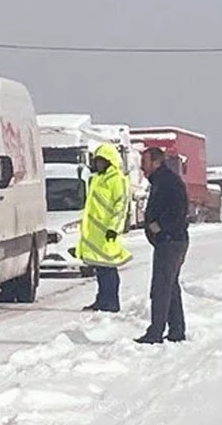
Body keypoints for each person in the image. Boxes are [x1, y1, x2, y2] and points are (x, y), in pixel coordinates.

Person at [136, 146, 189, 344]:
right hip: (169, 241)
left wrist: (158, 227)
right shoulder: (161, 181)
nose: (142, 167)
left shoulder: (168, 182)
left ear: (156, 162)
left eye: (144, 162)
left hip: (170, 241)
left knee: (161, 288)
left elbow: (178, 210)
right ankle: (176, 331)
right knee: (170, 286)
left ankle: (155, 333)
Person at [77, 143, 132, 312]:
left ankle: (112, 302)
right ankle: (102, 300)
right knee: (101, 269)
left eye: (101, 161)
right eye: (97, 161)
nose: (98, 164)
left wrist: (113, 228)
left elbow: (121, 206)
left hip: (108, 233)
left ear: (109, 161)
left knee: (108, 269)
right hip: (95, 234)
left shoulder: (117, 180)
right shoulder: (97, 179)